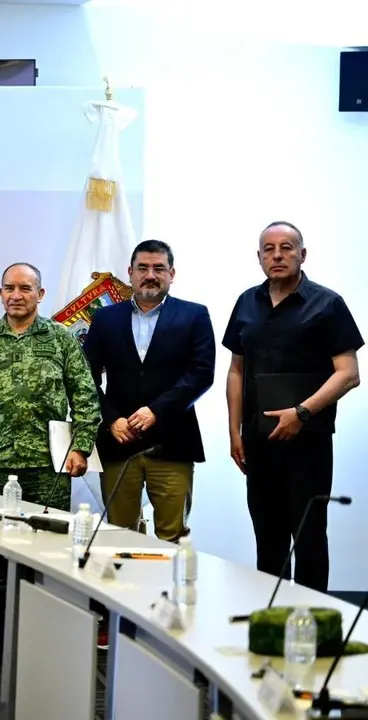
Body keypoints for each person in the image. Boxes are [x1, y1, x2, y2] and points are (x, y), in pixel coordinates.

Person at [224, 221, 362, 592]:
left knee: (310, 538)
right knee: (267, 540)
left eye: (287, 247)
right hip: (259, 440)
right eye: (269, 249)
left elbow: (349, 374)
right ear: (259, 257)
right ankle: (271, 623)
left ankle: (313, 626)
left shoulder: (327, 304)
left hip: (309, 442)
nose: (278, 255)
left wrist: (301, 412)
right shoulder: (246, 302)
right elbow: (236, 370)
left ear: (303, 254)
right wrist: (234, 431)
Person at [82, 240, 214, 540]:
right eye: (143, 268)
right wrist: (111, 419)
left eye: (159, 268)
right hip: (119, 441)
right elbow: (85, 378)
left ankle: (168, 589)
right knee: (119, 534)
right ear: (130, 273)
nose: (150, 275)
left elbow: (201, 374)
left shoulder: (194, 315)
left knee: (172, 535)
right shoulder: (105, 318)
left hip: (172, 443)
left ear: (172, 273)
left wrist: (157, 411)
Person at [0, 262, 100, 510]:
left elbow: (85, 397)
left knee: (48, 539)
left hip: (48, 464)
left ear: (40, 294)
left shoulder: (61, 338)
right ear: (1, 294)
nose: (16, 296)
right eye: (9, 288)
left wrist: (81, 448)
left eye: (25, 288)